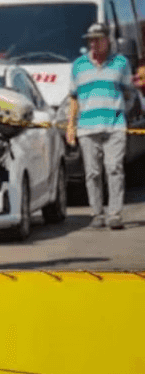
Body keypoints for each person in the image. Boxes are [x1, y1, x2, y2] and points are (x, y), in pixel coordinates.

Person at [66, 22, 134, 230]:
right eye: (90, 40)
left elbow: (129, 93)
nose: (93, 44)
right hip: (87, 128)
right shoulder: (78, 65)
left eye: (97, 39)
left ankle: (114, 214)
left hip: (114, 126)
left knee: (114, 169)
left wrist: (120, 111)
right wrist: (71, 126)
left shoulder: (121, 63)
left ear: (108, 40)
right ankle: (97, 213)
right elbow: (73, 98)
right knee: (92, 173)